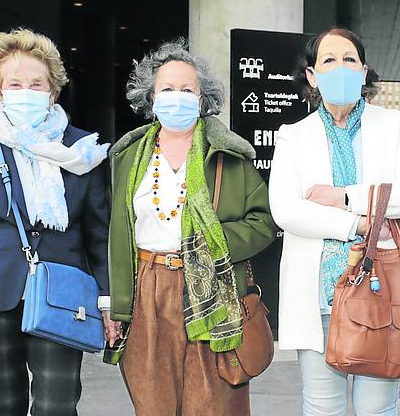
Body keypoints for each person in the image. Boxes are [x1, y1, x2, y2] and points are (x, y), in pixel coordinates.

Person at [0, 28, 117, 415]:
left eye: (36, 83)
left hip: (63, 292)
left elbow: (100, 232)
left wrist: (107, 298)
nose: (26, 92)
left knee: (58, 402)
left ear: (53, 91)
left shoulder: (83, 150)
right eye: (15, 84)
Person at [103, 39, 277, 416]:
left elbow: (263, 221)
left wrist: (210, 244)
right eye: (167, 89)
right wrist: (116, 307)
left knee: (212, 404)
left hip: (211, 290)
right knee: (153, 403)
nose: (176, 97)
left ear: (202, 99)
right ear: (151, 97)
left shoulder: (228, 156)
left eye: (187, 90)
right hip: (147, 288)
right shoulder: (127, 156)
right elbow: (116, 235)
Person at [269, 28, 400, 416]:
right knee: (321, 407)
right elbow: (286, 210)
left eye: (349, 60)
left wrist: (343, 197)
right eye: (328, 60)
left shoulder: (393, 125)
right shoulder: (293, 136)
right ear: (312, 76)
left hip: (383, 290)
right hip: (318, 294)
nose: (339, 68)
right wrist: (359, 224)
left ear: (364, 72)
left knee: (377, 408)